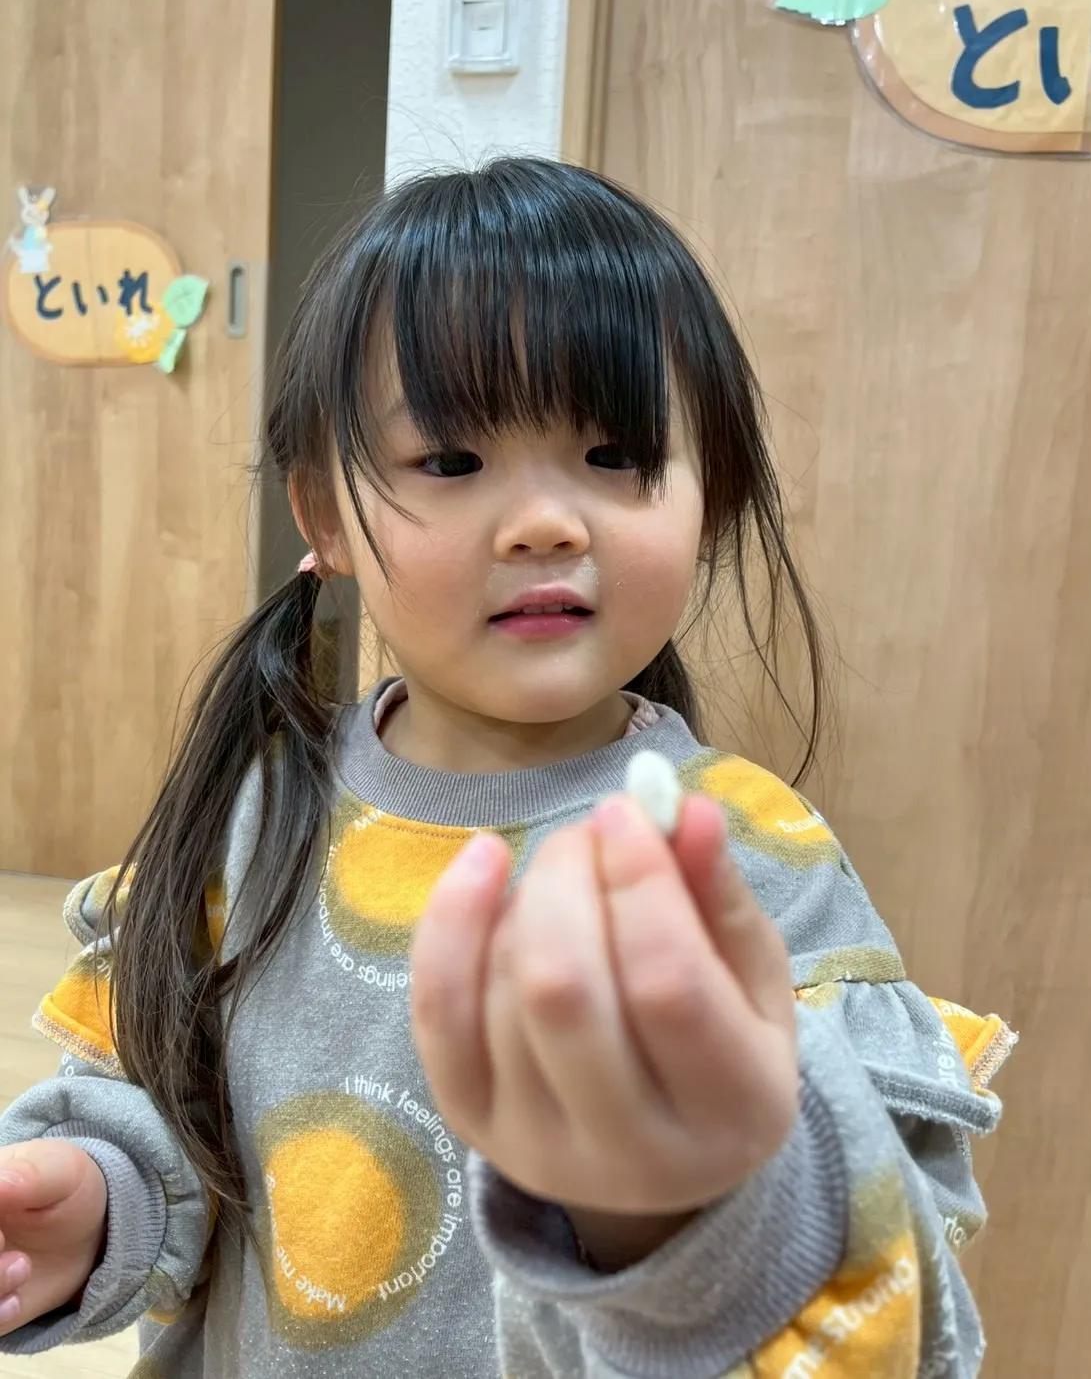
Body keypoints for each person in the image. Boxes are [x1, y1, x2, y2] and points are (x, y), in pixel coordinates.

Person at [0, 158, 1013, 1378]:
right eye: (451, 461)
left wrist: (677, 1219)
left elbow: (887, 1298)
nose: (546, 522)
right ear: (323, 517)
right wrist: (93, 1199)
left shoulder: (749, 861)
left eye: (613, 452)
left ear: (710, 497)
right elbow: (169, 1116)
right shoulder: (260, 816)